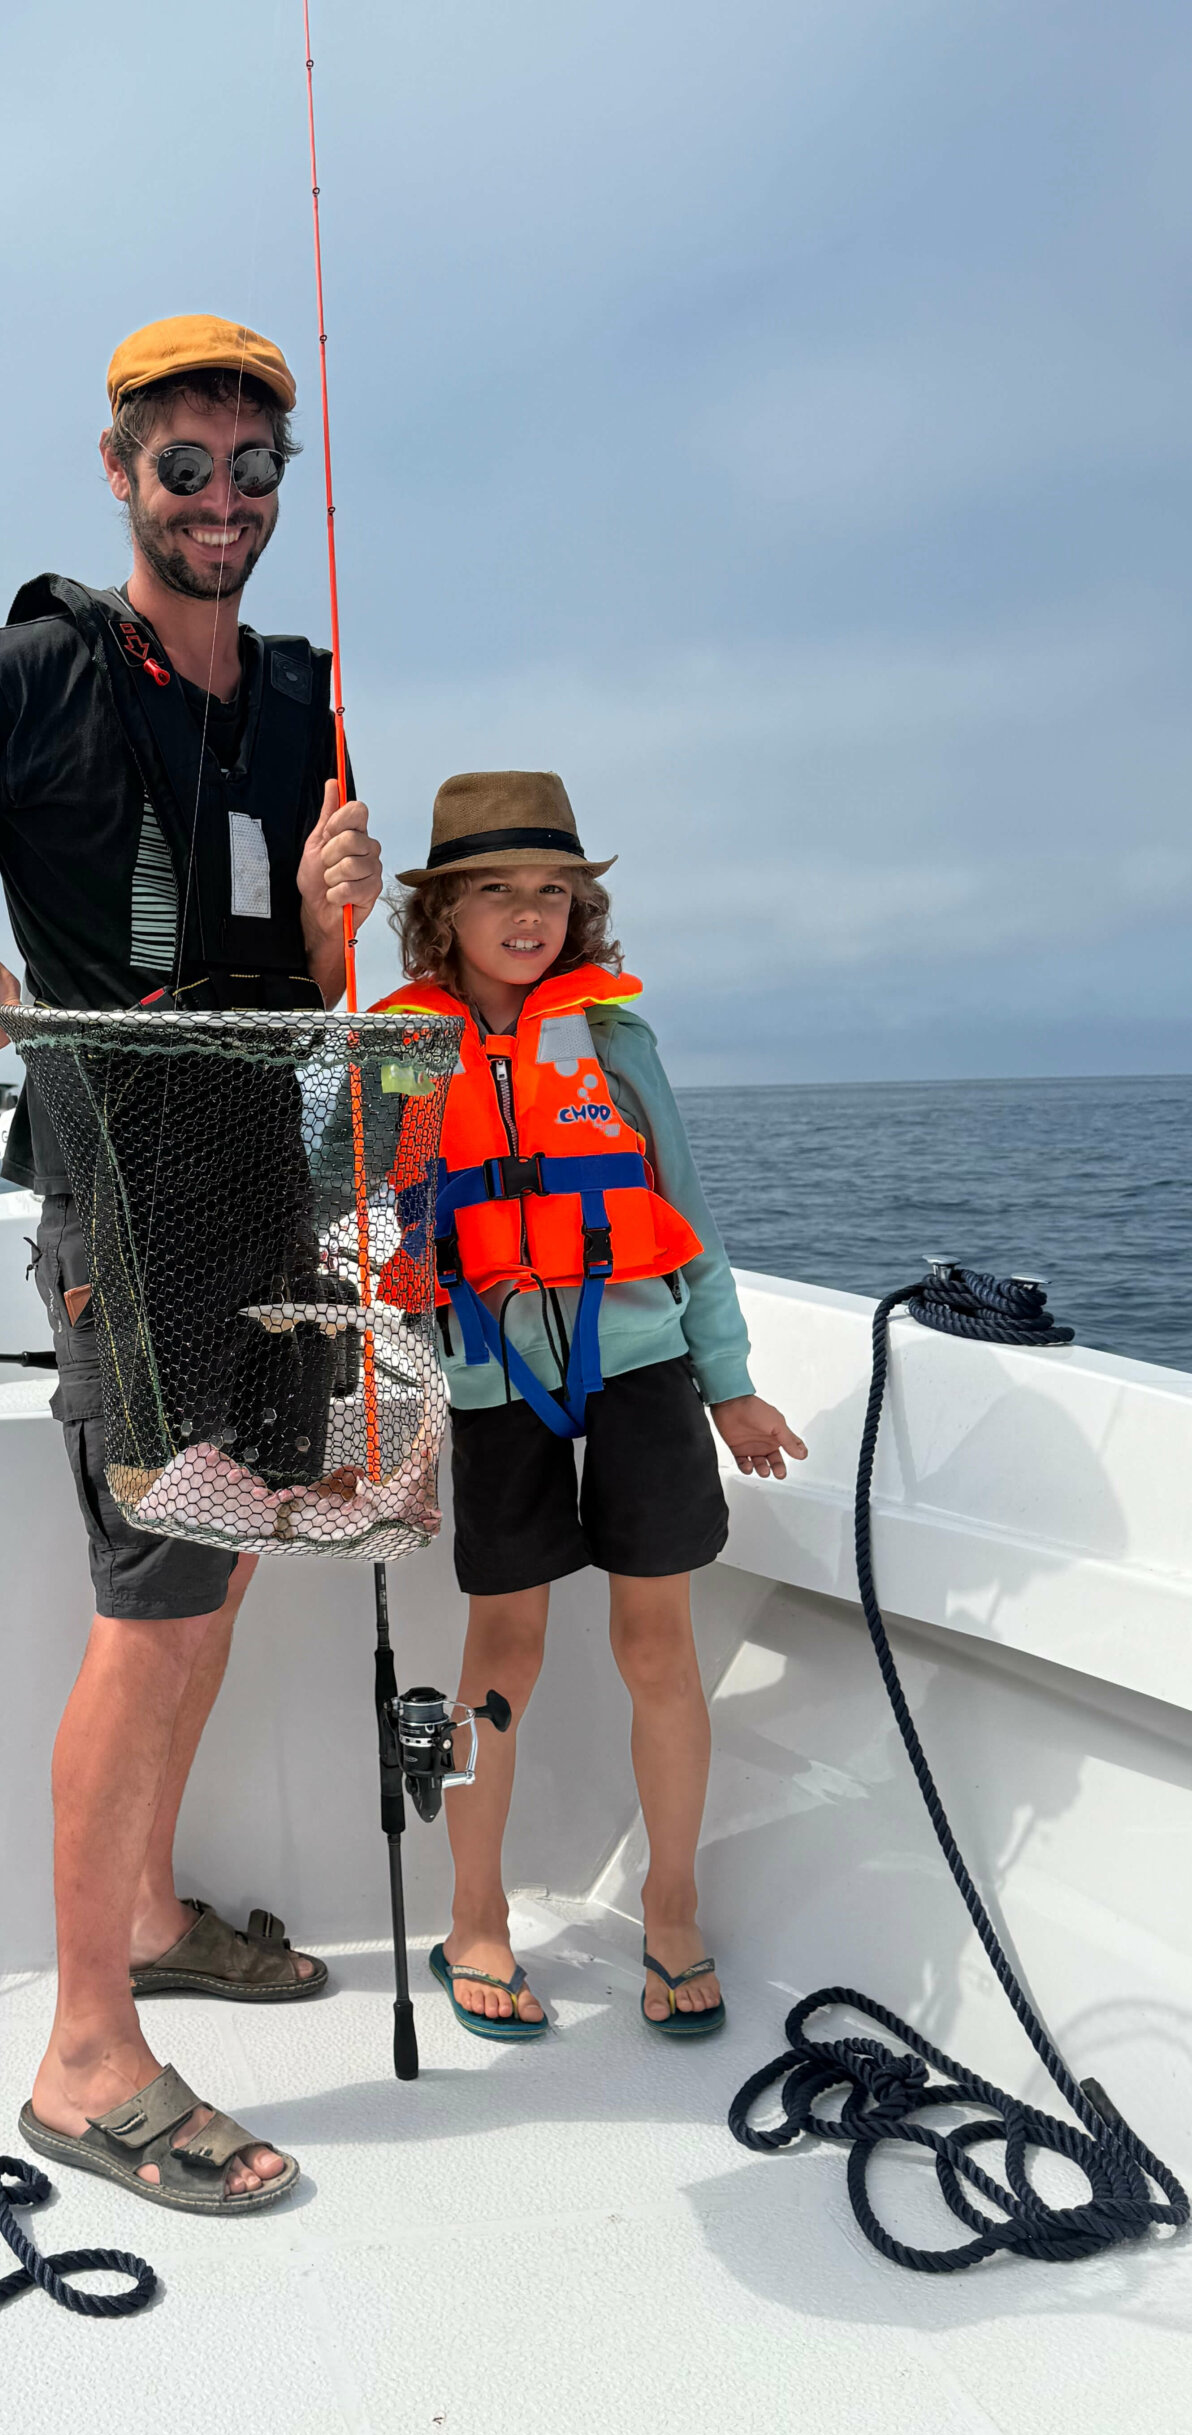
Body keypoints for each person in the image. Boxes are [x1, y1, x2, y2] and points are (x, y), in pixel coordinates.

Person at [0, 315, 382, 2211]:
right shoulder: (20, 677)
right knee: (156, 1591)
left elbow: (303, 1000)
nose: (220, 502)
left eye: (250, 472)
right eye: (182, 468)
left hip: (259, 1175)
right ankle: (80, 2058)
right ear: (121, 473)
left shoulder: (301, 702)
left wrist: (324, 923)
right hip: (121, 1197)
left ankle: (145, 1917)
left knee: (219, 1563)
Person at [373, 771, 807, 2042]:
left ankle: (671, 1906)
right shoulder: (400, 1046)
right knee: (499, 1654)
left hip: (641, 1375)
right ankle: (476, 1916)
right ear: (442, 911)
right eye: (495, 891)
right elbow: (368, 1226)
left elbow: (692, 1218)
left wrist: (728, 1383)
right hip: (489, 1389)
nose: (527, 915)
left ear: (581, 907)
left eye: (551, 891)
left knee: (655, 1648)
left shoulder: (615, 1039)